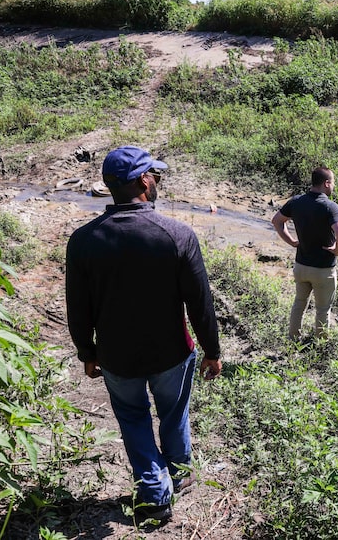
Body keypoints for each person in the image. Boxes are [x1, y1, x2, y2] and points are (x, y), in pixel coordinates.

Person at [65, 146, 222, 523]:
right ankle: (179, 474)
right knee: (174, 412)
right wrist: (212, 351)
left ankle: (154, 495)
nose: (157, 181)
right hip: (171, 352)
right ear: (144, 181)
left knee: (133, 418)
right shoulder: (176, 234)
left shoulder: (84, 240)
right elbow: (199, 302)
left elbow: (78, 307)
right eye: (155, 175)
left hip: (117, 357)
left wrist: (88, 352)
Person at [271, 166, 338, 341]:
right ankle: (320, 343)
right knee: (322, 308)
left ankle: (293, 339)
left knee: (299, 303)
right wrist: (337, 250)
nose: (333, 186)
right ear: (327, 183)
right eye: (333, 182)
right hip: (323, 269)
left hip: (301, 265)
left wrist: (291, 241)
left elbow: (276, 221)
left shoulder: (296, 202)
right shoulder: (330, 207)